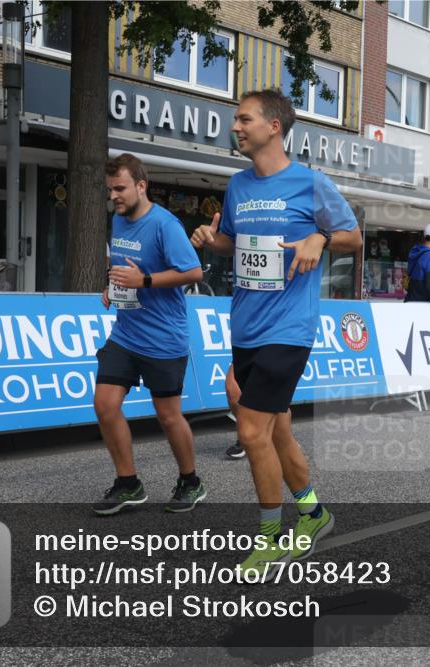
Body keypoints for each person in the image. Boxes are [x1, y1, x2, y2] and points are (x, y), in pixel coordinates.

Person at [190, 89, 361, 576]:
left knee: (249, 431)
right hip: (245, 325)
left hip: (289, 328)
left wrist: (320, 236)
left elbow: (352, 236)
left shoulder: (311, 183)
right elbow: (232, 245)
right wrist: (212, 240)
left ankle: (270, 538)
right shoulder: (238, 185)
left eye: (244, 119)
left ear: (274, 127)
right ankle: (313, 512)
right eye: (234, 119)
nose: (235, 127)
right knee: (277, 429)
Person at [92, 153, 205, 516]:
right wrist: (114, 287)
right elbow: (123, 266)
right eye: (111, 190)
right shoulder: (119, 220)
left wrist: (144, 281)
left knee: (168, 415)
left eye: (121, 189)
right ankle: (129, 483)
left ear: (141, 186)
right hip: (126, 333)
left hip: (163, 337)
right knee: (105, 404)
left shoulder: (164, 225)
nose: (115, 196)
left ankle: (191, 481)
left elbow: (193, 272)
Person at [224, 364, 245, 460]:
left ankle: (285, 439)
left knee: (271, 397)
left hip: (273, 350)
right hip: (244, 350)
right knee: (231, 389)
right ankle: (245, 438)